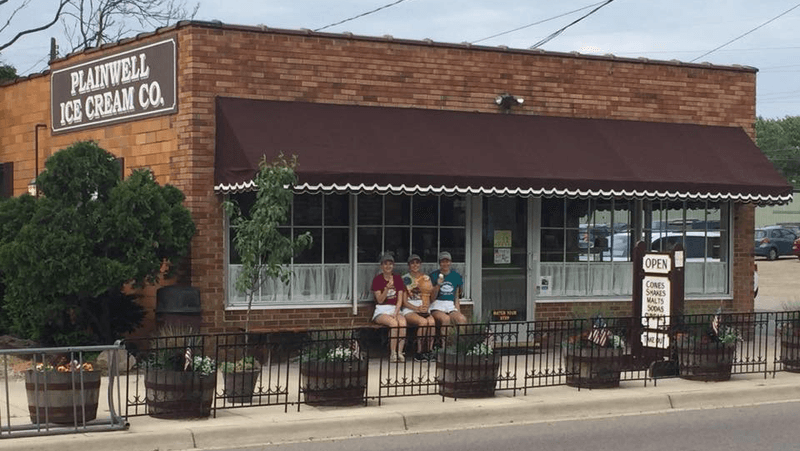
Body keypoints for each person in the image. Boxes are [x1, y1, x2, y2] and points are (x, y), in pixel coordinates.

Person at [371, 253, 407, 363]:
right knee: (394, 324)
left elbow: (400, 299)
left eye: (390, 264)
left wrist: (396, 312)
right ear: (381, 266)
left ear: (393, 266)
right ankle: (393, 353)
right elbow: (380, 300)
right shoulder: (377, 280)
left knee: (403, 323)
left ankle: (400, 352)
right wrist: (386, 288)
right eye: (385, 264)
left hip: (395, 308)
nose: (388, 266)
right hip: (381, 310)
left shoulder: (397, 278)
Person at [401, 254, 437, 361]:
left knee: (431, 322)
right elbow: (404, 301)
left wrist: (426, 306)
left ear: (420, 264)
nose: (415, 265)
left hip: (423, 308)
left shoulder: (426, 278)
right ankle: (419, 352)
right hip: (410, 309)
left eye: (417, 263)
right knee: (423, 322)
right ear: (409, 265)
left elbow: (431, 297)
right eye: (412, 263)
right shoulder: (404, 278)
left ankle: (429, 351)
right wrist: (417, 309)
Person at [430, 251, 468, 330]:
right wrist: (438, 285)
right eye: (443, 261)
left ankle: (459, 341)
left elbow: (456, 297)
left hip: (450, 305)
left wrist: (458, 311)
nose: (445, 264)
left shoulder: (456, 276)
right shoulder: (433, 275)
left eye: (447, 261)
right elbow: (431, 298)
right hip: (437, 305)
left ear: (450, 262)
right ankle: (444, 342)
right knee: (445, 319)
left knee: (462, 319)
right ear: (439, 263)